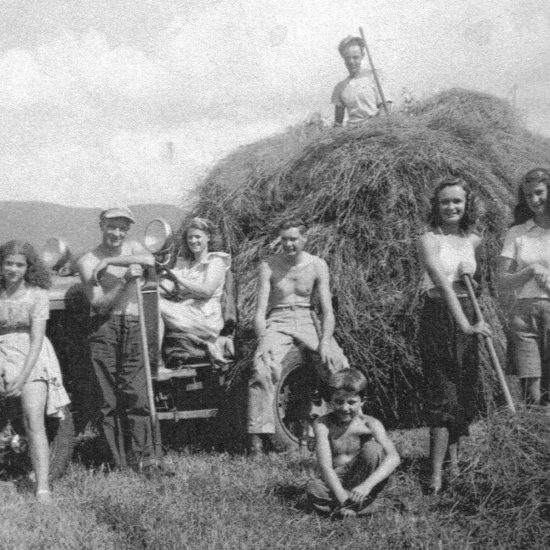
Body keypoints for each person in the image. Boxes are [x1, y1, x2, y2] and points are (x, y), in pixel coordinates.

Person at [247, 218, 349, 454]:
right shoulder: (269, 266)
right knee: (262, 368)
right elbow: (260, 312)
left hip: (306, 317)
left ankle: (344, 429)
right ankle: (258, 439)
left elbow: (327, 310)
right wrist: (263, 341)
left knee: (337, 363)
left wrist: (325, 341)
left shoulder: (317, 265)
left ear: (304, 239)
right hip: (278, 319)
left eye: (293, 239)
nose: (289, 245)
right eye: (284, 240)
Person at [417, 176, 491, 494]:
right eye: (445, 201)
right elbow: (442, 283)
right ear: (436, 205)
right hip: (439, 318)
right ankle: (434, 475)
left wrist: (472, 285)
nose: (451, 207)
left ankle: (456, 466)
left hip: (468, 314)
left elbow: (469, 285)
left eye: (457, 201)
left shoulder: (472, 239)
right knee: (442, 394)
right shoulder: (428, 239)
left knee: (464, 393)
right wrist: (464, 324)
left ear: (466, 204)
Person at [77, 206, 159, 473]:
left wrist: (112, 263)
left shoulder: (133, 247)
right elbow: (99, 303)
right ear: (101, 225)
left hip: (133, 324)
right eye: (112, 226)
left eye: (123, 227)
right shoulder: (88, 260)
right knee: (107, 399)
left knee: (137, 394)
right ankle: (118, 462)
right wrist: (125, 280)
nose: (117, 232)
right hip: (104, 328)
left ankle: (145, 460)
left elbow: (151, 262)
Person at [0, 241, 70, 502]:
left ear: (28, 267)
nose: (13, 269)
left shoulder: (37, 295)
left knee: (34, 421)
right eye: (8, 263)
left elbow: (37, 340)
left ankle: (42, 487)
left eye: (19, 264)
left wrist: (21, 377)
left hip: (30, 354)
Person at [306, 369, 400, 518]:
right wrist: (344, 499)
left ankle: (348, 507)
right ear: (330, 400)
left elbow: (394, 457)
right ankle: (362, 507)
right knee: (313, 488)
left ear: (362, 401)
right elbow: (325, 466)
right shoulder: (322, 424)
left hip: (363, 479)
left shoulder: (370, 424)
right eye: (338, 401)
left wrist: (366, 486)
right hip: (337, 479)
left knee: (373, 449)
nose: (344, 408)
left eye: (351, 402)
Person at [497, 168, 550, 407]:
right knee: (532, 392)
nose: (534, 200)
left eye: (539, 193)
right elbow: (501, 280)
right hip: (524, 316)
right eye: (528, 195)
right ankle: (533, 442)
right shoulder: (517, 233)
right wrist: (530, 270)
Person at [159, 217, 232, 366]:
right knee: (149, 299)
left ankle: (156, 361)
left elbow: (207, 291)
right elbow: (166, 287)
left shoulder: (215, 262)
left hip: (205, 317)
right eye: (190, 237)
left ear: (208, 238)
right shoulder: (185, 265)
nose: (193, 241)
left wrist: (179, 278)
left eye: (198, 237)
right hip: (187, 313)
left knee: (154, 303)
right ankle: (151, 355)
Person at [331, 35, 391, 127]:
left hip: (375, 130)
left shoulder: (375, 77)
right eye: (347, 58)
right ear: (343, 58)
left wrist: (375, 128)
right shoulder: (340, 88)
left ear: (362, 56)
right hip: (352, 134)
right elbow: (337, 124)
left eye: (355, 57)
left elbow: (386, 106)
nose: (351, 62)